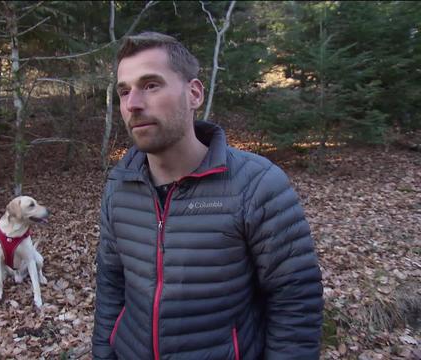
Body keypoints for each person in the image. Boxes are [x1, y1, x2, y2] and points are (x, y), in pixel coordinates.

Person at [92, 32, 323, 360]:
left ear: (194, 93)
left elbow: (295, 302)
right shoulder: (119, 185)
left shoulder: (257, 185)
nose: (133, 104)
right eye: (124, 91)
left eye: (151, 85)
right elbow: (111, 286)